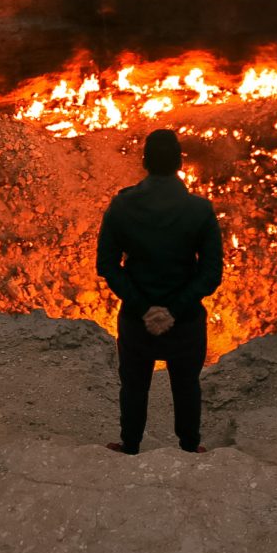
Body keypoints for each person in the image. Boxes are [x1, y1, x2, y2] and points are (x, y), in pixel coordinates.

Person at [96, 128, 223, 455]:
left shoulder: (122, 206)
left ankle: (130, 445)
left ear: (144, 162)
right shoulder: (200, 210)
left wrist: (144, 308)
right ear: (180, 163)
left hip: (138, 322)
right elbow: (211, 273)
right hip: (185, 322)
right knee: (186, 385)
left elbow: (107, 265)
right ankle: (190, 448)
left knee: (134, 386)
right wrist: (174, 310)